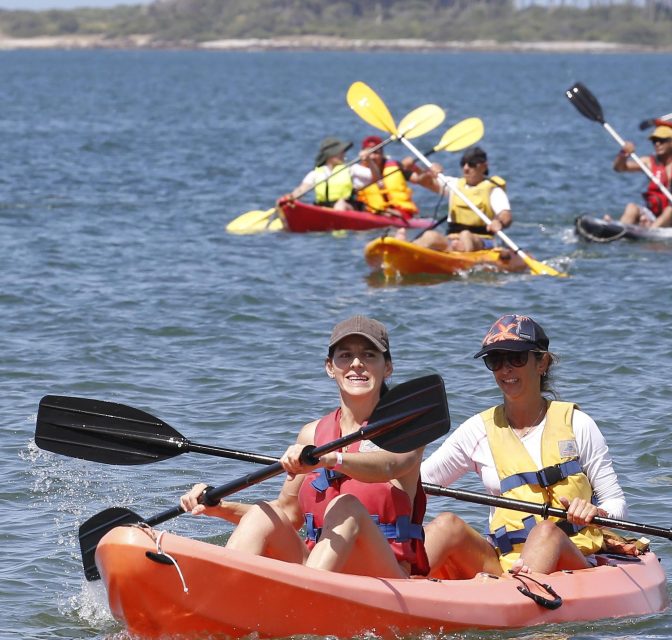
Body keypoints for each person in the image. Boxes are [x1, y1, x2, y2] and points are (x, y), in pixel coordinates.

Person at [179, 315, 496, 580]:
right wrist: (219, 507)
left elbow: (389, 467)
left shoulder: (407, 430)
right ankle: (217, 593)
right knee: (266, 512)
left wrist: (330, 459)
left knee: (346, 506)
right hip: (320, 566)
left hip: (385, 578)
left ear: (388, 368)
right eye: (345, 355)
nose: (356, 363)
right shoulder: (312, 434)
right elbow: (290, 514)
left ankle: (306, 596)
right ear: (330, 367)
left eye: (369, 355)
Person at [420, 314, 627, 575]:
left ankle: (513, 601)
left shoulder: (578, 424)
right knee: (446, 524)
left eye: (516, 358)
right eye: (495, 360)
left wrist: (597, 511)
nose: (506, 369)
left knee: (545, 533)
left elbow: (616, 502)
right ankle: (395, 587)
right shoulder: (477, 430)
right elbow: (418, 484)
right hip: (504, 561)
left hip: (572, 558)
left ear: (542, 363)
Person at [408, 146, 512, 252]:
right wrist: (429, 173)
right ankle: (405, 254)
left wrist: (499, 222)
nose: (466, 168)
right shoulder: (454, 185)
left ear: (484, 166)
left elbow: (505, 215)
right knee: (430, 235)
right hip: (452, 239)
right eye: (463, 164)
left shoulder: (493, 191)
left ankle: (461, 258)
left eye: (472, 164)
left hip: (482, 241)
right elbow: (426, 182)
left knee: (465, 235)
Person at [610, 125, 672, 228]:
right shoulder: (649, 162)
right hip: (655, 214)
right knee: (631, 208)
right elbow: (619, 168)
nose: (657, 144)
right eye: (655, 141)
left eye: (662, 141)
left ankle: (650, 231)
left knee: (670, 209)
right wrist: (623, 154)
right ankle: (618, 231)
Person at [282, 137, 376, 211]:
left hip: (347, 207)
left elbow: (376, 178)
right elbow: (302, 189)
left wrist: (369, 161)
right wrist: (292, 197)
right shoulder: (315, 173)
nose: (343, 154)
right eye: (339, 152)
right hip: (323, 208)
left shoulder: (351, 169)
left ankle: (339, 234)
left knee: (340, 204)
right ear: (329, 155)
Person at [355, 135, 419, 219]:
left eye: (376, 153)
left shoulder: (395, 166)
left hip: (400, 213)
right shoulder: (355, 171)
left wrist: (419, 169)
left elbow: (419, 179)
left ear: (382, 154)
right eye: (369, 153)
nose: (372, 157)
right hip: (370, 212)